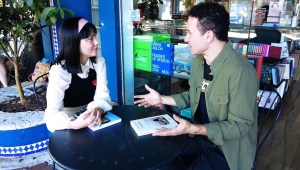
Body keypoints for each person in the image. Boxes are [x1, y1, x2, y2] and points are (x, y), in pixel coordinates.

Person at [134, 2, 259, 170]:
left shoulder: (241, 71)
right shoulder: (200, 61)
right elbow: (194, 95)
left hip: (225, 151)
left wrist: (193, 128)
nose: (186, 39)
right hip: (200, 137)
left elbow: (240, 126)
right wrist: (161, 98)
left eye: (189, 33)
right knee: (158, 150)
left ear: (208, 36)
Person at [44, 17, 112, 132]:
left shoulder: (99, 63)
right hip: (68, 124)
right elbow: (52, 114)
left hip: (92, 118)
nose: (97, 42)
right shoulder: (60, 71)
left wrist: (98, 108)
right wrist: (74, 124)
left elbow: (103, 95)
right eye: (90, 39)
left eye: (95, 36)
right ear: (74, 42)